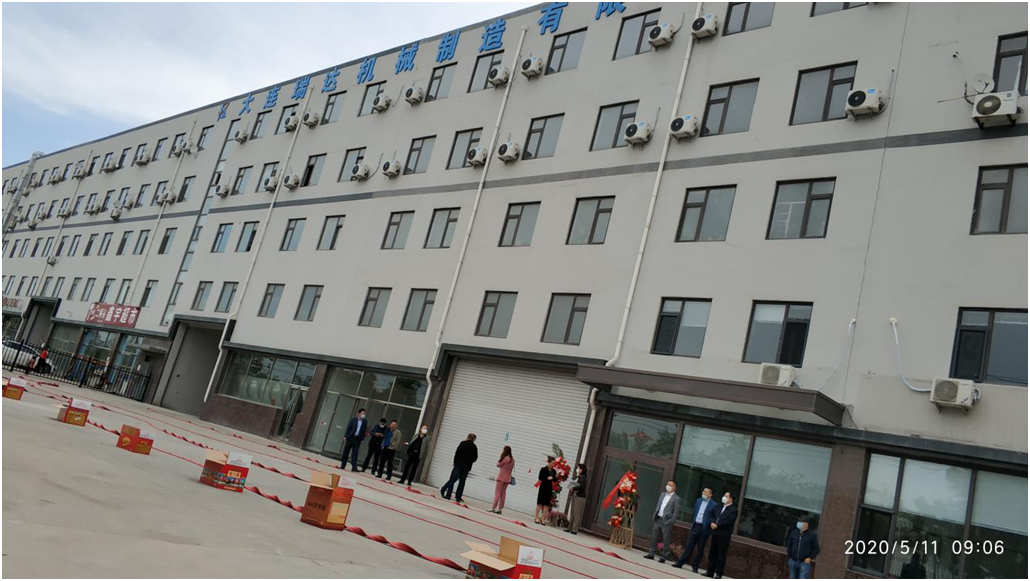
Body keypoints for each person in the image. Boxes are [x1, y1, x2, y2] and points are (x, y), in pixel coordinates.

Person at [673, 487, 717, 572]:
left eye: (706, 492)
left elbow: (714, 517)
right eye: (703, 491)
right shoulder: (698, 500)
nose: (703, 493)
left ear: (710, 494)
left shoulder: (714, 505)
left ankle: (695, 566)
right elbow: (695, 512)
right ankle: (680, 562)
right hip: (696, 526)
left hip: (704, 528)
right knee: (689, 545)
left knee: (700, 548)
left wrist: (709, 524)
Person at [644, 481, 682, 563]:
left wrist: (671, 521)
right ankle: (651, 553)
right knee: (654, 537)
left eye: (670, 485)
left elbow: (676, 512)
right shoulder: (662, 494)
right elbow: (659, 505)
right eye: (668, 484)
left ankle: (664, 556)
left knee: (666, 540)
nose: (668, 486)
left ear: (674, 487)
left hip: (667, 521)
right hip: (658, 518)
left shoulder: (676, 498)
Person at [705, 491, 738, 579]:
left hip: (724, 535)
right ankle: (710, 571)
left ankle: (719, 573)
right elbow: (712, 515)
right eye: (724, 495)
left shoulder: (733, 510)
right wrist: (712, 522)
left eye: (726, 496)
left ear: (731, 498)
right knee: (712, 553)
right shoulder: (719, 506)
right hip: (715, 533)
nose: (724, 497)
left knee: (721, 555)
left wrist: (718, 525)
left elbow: (729, 521)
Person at [440, 433, 478, 503]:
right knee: (462, 482)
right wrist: (469, 462)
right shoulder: (474, 447)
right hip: (466, 467)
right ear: (474, 439)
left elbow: (457, 453)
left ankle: (448, 494)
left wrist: (455, 462)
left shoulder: (462, 443)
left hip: (458, 465)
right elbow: (475, 458)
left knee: (452, 479)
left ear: (468, 437)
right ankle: (458, 497)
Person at [489, 446, 515, 514]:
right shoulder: (513, 459)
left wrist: (501, 457)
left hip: (501, 478)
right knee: (503, 494)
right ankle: (500, 509)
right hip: (508, 479)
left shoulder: (505, 458)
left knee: (497, 493)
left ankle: (493, 507)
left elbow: (498, 465)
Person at [563, 463, 588, 534]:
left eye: (578, 468)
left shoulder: (583, 477)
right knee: (572, 513)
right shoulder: (578, 476)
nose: (577, 469)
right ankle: (569, 527)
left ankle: (574, 529)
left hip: (580, 497)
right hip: (575, 495)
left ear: (581, 470)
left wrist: (573, 488)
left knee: (577, 514)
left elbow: (582, 486)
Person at [534, 456, 558, 524]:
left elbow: (555, 479)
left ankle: (543, 518)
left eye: (554, 463)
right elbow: (540, 478)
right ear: (548, 462)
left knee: (546, 505)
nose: (553, 465)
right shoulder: (543, 469)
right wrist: (547, 478)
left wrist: (556, 476)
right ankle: (536, 517)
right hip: (543, 488)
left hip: (549, 488)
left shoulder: (553, 471)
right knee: (539, 503)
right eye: (552, 463)